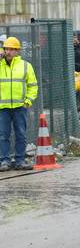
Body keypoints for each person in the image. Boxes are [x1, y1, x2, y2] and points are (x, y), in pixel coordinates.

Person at [0, 37, 38, 171]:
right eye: (6, 49)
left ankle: (19, 160)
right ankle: (4, 161)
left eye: (11, 49)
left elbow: (33, 86)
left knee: (21, 134)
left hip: (20, 107)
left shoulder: (26, 66)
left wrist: (27, 102)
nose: (8, 51)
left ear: (17, 51)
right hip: (2, 108)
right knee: (3, 135)